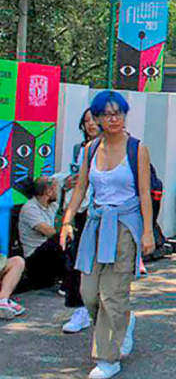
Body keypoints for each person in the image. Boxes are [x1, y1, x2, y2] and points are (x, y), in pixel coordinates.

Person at [60, 91, 156, 379]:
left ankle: (108, 357)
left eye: (119, 113)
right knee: (88, 293)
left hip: (125, 225)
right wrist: (67, 220)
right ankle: (123, 322)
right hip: (96, 224)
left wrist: (148, 232)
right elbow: (80, 188)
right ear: (97, 118)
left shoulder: (137, 149)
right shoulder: (90, 149)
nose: (114, 119)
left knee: (111, 294)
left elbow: (144, 193)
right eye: (107, 114)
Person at [61, 109, 102, 334]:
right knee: (78, 258)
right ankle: (80, 309)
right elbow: (75, 179)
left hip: (105, 211)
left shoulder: (115, 147)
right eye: (85, 120)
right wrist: (69, 182)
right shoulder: (80, 149)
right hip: (82, 210)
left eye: (94, 119)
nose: (90, 124)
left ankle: (105, 310)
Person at [15, 177, 66, 293]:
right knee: (58, 241)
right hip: (34, 257)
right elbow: (49, 232)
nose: (57, 192)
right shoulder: (30, 208)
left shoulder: (52, 206)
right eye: (55, 189)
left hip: (47, 254)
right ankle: (67, 284)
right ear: (48, 192)